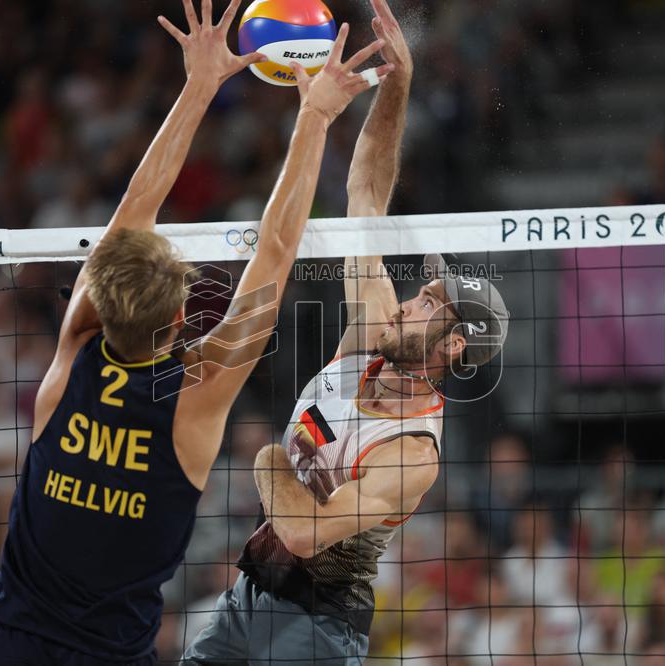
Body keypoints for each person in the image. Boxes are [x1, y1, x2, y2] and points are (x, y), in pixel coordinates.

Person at [0, 1, 390, 663]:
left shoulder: (73, 351)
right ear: (179, 319)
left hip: (6, 647)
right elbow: (276, 251)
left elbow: (134, 207)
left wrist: (197, 87)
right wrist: (312, 117)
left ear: (99, 301)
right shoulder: (197, 392)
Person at [183, 1, 510, 662]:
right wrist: (398, 87)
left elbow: (304, 532)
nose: (413, 299)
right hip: (247, 597)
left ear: (452, 346)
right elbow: (366, 192)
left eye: (431, 304)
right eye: (421, 290)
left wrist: (268, 460)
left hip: (316, 628)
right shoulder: (370, 334)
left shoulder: (411, 453)